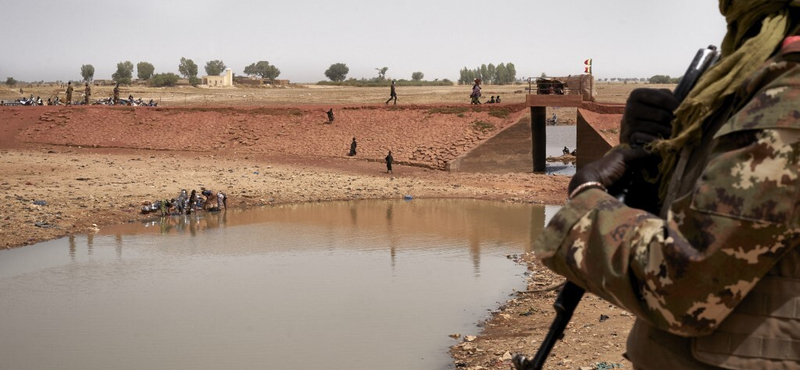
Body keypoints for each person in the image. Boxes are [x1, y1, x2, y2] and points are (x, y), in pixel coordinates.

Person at [533, 2, 800, 369]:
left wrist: (585, 199)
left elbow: (686, 284)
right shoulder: (751, 70)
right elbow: (718, 211)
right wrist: (656, 163)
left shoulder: (789, 85)